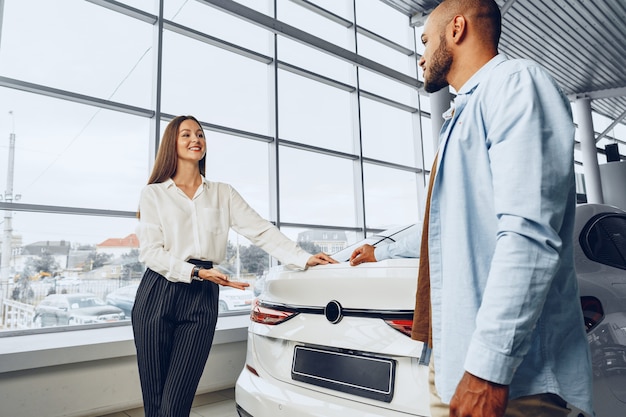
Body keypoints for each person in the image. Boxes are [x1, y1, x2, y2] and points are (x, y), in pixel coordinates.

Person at [413, 1, 594, 416]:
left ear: (456, 28)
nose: (421, 57)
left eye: (425, 41)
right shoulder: (465, 112)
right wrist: (378, 249)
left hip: (512, 377)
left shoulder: (516, 85)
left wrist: (487, 370)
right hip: (456, 356)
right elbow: (447, 223)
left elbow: (528, 235)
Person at [132, 115, 337, 417]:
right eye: (186, 134)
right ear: (171, 144)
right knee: (155, 404)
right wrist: (195, 271)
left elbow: (260, 229)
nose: (196, 139)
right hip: (158, 292)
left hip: (201, 296)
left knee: (176, 404)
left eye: (200, 134)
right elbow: (150, 252)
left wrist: (302, 257)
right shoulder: (154, 194)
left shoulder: (222, 193)